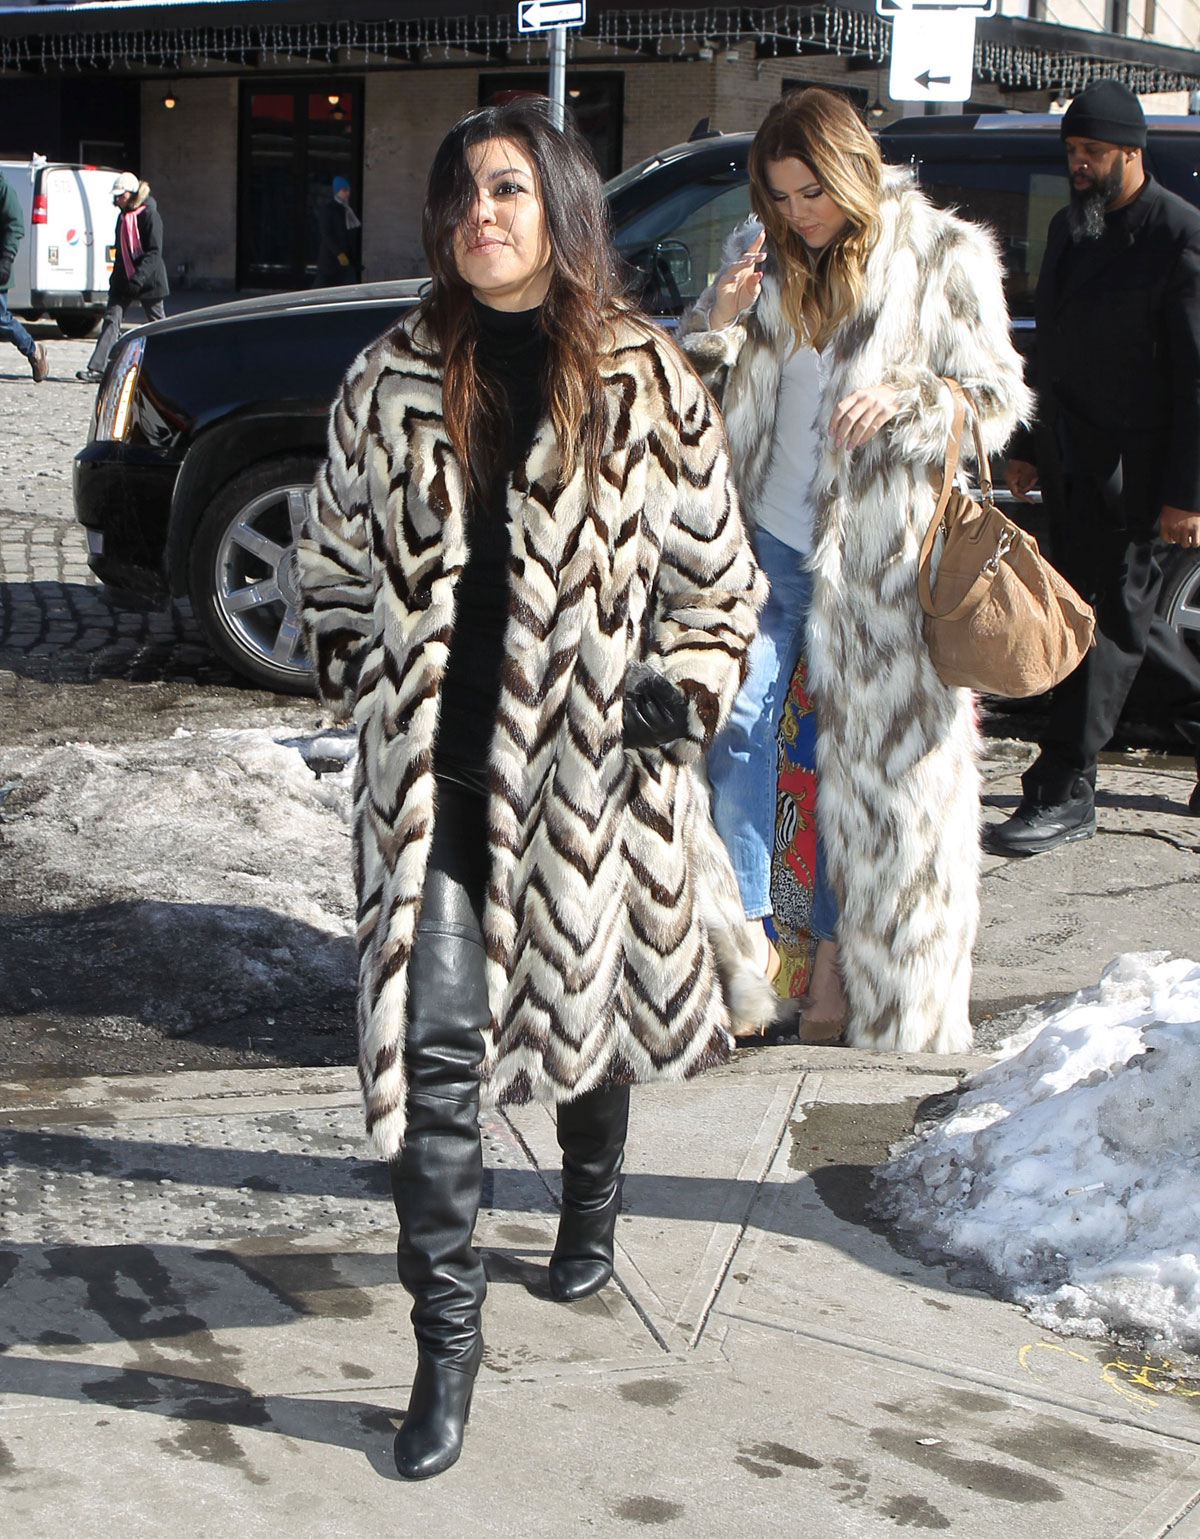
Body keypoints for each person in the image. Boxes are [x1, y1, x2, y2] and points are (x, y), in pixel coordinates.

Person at [297, 97, 769, 1481]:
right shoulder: (388, 376)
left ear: (560, 209)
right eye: (461, 195)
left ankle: (591, 1200)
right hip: (434, 778)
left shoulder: (647, 376)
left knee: (588, 1003)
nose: (481, 215)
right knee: (434, 1049)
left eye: (508, 189)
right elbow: (330, 557)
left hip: (589, 773)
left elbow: (717, 578)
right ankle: (448, 1337)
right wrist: (358, 661)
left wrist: (677, 686)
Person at [681, 88, 1029, 1055]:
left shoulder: (942, 254)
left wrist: (911, 397)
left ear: (852, 169)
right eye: (782, 194)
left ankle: (837, 974)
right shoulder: (762, 262)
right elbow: (692, 405)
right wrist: (716, 323)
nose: (798, 212)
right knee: (731, 727)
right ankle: (745, 938)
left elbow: (999, 398)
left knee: (860, 770)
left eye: (811, 191)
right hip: (762, 547)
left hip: (876, 569)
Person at [987, 79, 1200, 855]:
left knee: (1105, 627)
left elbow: (1196, 379)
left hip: (1142, 482)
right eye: (1073, 152)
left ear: (1131, 154)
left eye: (1093, 154)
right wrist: (1028, 444)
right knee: (1122, 625)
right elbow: (1055, 349)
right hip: (1075, 466)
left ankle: (1062, 786)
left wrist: (1186, 494)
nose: (1079, 166)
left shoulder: (1180, 238)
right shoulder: (1072, 231)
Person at [76, 172, 168, 384]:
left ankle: (172, 363)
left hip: (148, 280)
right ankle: (97, 368)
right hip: (123, 280)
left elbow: (154, 252)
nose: (117, 200)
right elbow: (121, 252)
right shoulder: (123, 217)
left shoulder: (150, 215)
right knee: (111, 320)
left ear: (132, 194)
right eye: (116, 196)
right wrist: (116, 281)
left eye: (121, 196)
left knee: (158, 324)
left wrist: (138, 279)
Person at [0, 170, 48, 382]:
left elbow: (15, 223)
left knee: (0, 318)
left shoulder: (2, 187)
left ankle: (34, 350)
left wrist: (7, 257)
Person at [314, 174, 361, 286]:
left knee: (349, 284)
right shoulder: (329, 210)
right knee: (322, 285)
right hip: (330, 259)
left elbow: (348, 235)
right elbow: (327, 234)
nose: (347, 193)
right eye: (344, 190)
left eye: (348, 190)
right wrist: (338, 253)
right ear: (337, 191)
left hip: (346, 258)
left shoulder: (347, 210)